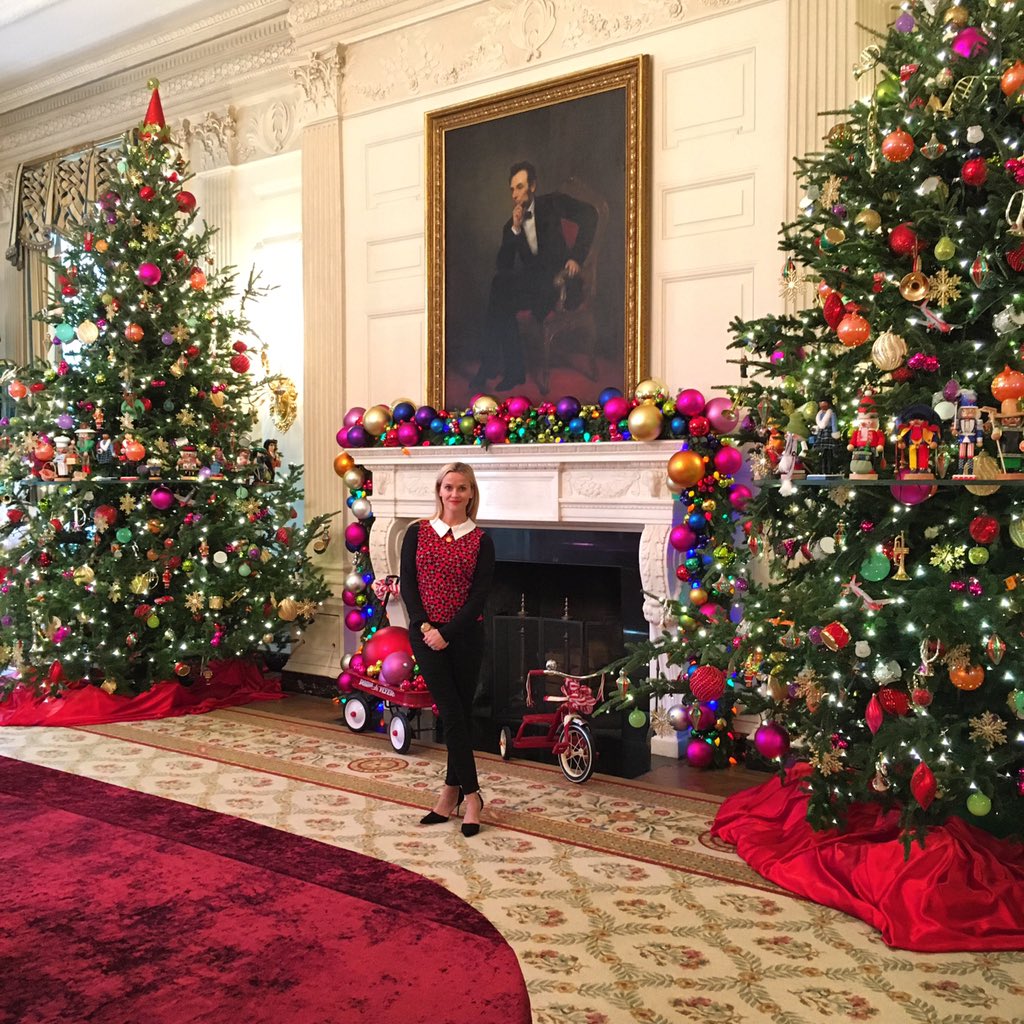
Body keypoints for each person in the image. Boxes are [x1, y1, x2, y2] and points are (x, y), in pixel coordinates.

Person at [400, 462, 495, 837]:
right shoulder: (417, 533)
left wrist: (449, 633)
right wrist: (427, 627)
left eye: (462, 488)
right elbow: (409, 585)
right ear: (439, 490)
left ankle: (450, 792)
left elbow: (480, 596)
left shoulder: (481, 539)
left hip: (465, 637)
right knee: (452, 711)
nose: (454, 494)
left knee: (459, 713)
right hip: (424, 636)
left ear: (471, 494)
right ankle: (472, 797)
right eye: (449, 487)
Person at [469, 161, 598, 392]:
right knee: (500, 289)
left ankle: (496, 367)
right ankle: (510, 370)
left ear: (533, 186)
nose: (515, 194)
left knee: (500, 297)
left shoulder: (553, 203)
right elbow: (503, 265)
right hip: (535, 285)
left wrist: (577, 257)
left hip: (561, 281)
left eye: (520, 187)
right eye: (512, 190)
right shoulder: (511, 224)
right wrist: (516, 230)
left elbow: (590, 215)